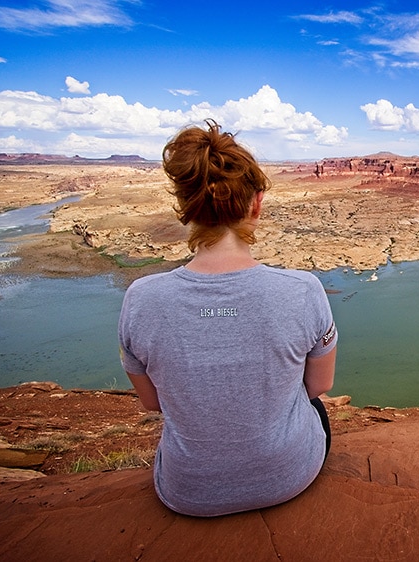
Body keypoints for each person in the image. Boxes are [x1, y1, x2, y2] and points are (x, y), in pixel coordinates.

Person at [118, 120, 337, 517]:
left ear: (186, 207)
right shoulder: (303, 290)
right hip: (289, 477)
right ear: (256, 203)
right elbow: (318, 386)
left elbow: (152, 403)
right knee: (316, 410)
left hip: (188, 492)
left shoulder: (140, 299)